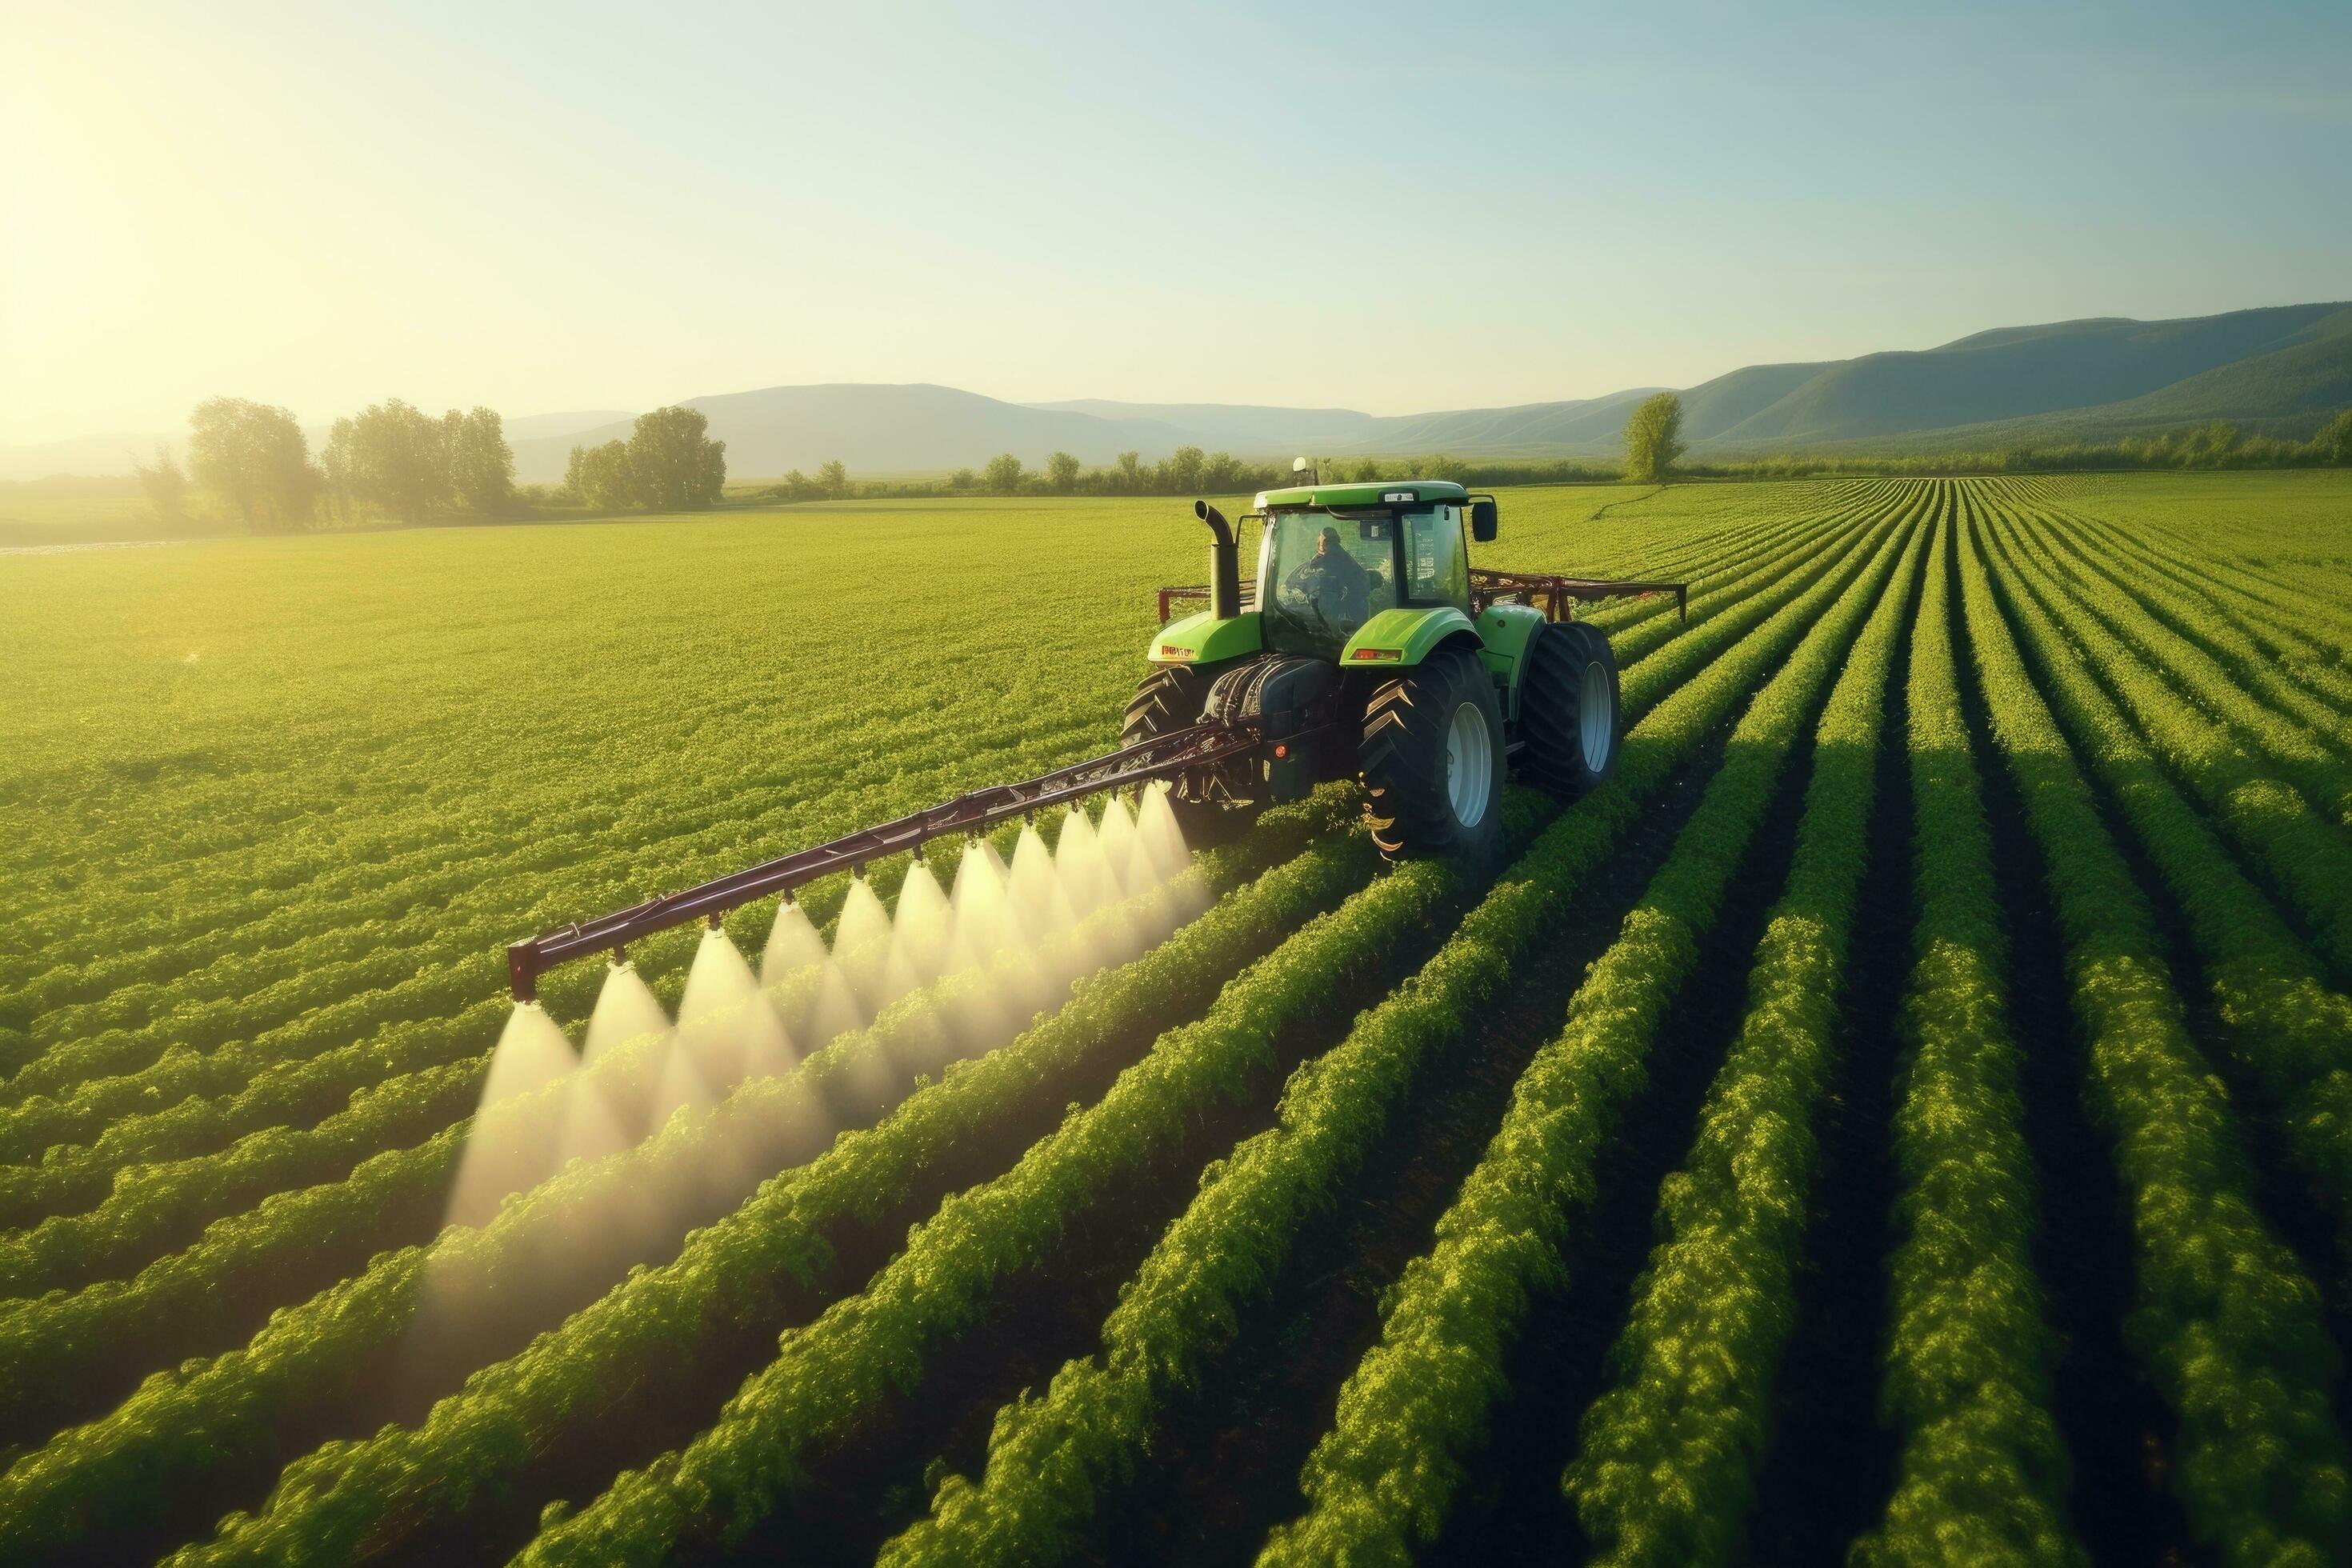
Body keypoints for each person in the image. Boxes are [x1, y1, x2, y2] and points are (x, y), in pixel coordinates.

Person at [1284, 525, 1371, 626]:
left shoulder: (1334, 550)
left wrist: (1314, 564)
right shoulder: (1335, 551)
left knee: (1317, 602)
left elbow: (1322, 564)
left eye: (1320, 536)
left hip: (1352, 597)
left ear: (1324, 538)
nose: (1318, 539)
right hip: (1352, 595)